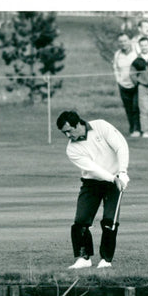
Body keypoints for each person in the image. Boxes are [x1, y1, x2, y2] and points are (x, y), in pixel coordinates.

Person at [56, 111, 130, 270]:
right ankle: (83, 258)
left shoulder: (101, 126)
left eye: (69, 131)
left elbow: (121, 146)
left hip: (115, 180)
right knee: (81, 221)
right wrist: (113, 178)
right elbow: (93, 169)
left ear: (78, 124)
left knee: (110, 221)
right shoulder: (72, 150)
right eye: (64, 133)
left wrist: (122, 172)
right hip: (92, 182)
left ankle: (106, 259)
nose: (68, 135)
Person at [112, 33, 141, 137]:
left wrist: (140, 80)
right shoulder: (117, 54)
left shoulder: (137, 52)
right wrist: (118, 80)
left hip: (136, 85)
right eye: (121, 41)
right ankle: (132, 128)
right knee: (128, 108)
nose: (123, 43)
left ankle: (137, 129)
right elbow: (115, 68)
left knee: (136, 107)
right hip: (123, 86)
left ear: (129, 41)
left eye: (125, 41)